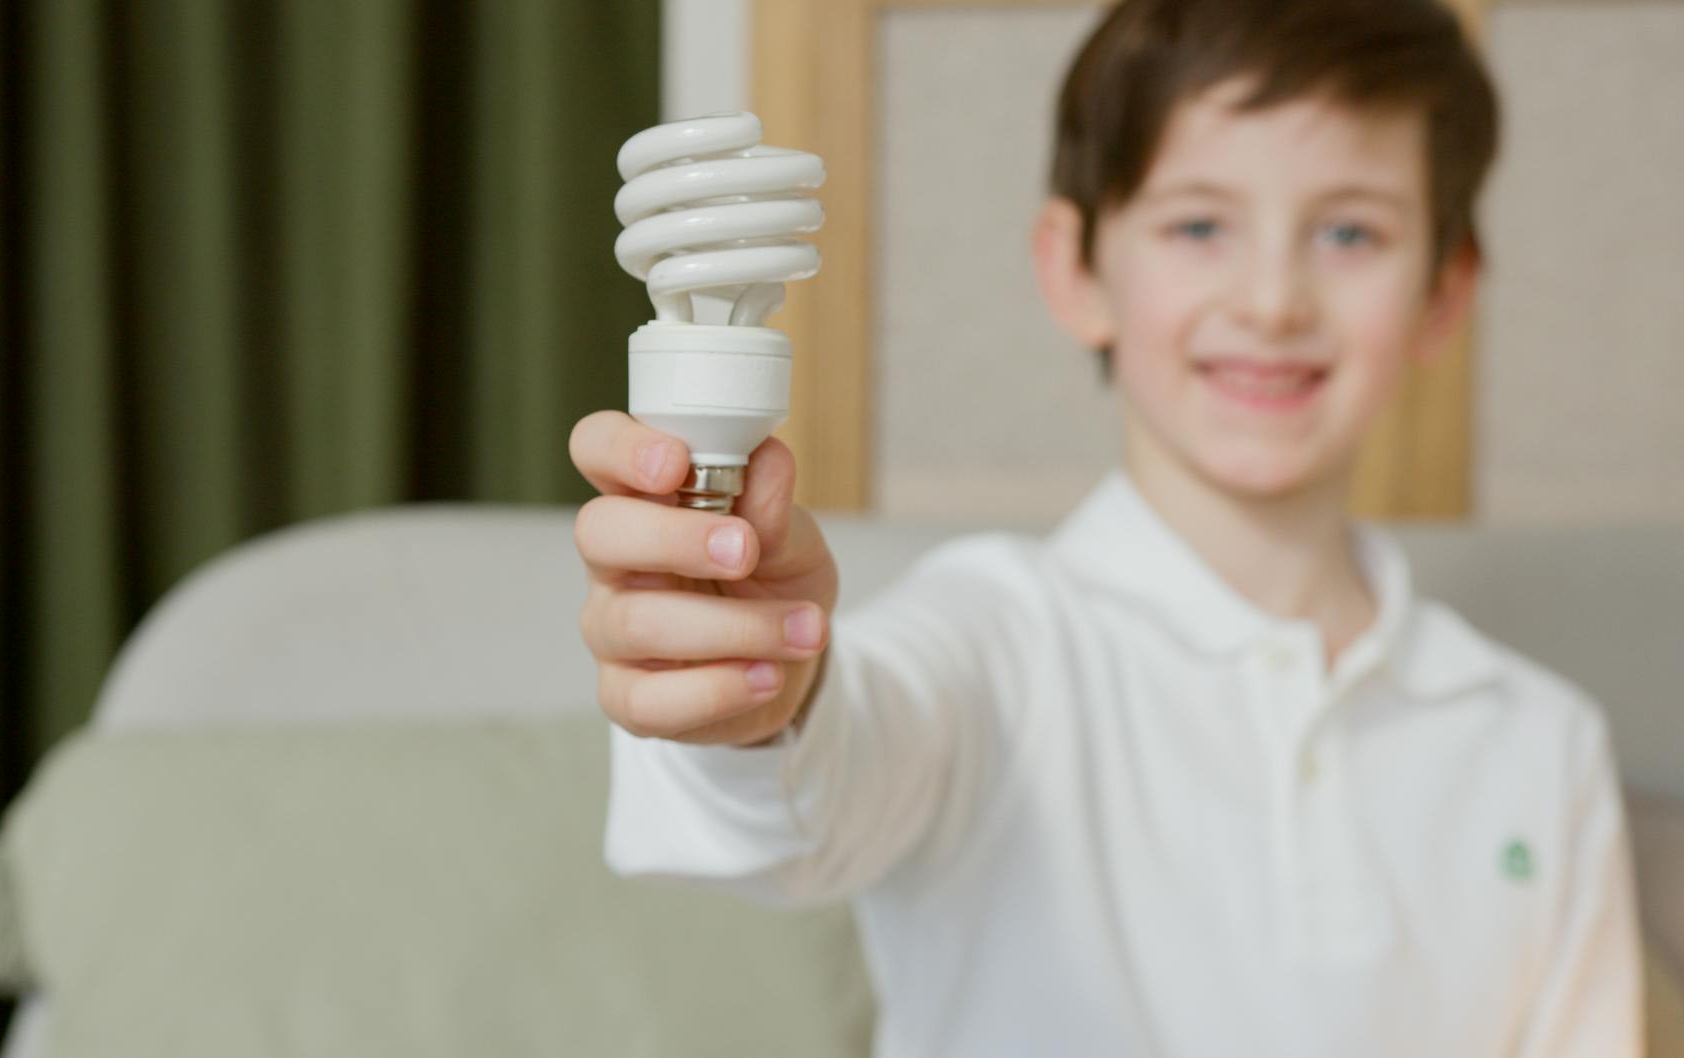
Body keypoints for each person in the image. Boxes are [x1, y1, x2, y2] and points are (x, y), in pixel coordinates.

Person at [567, 0, 1643, 1053]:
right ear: (1075, 269)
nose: (1271, 298)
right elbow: (828, 771)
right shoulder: (997, 643)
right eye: (1198, 224)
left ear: (1441, 293)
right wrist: (764, 694)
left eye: (1349, 231)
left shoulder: (1535, 744)